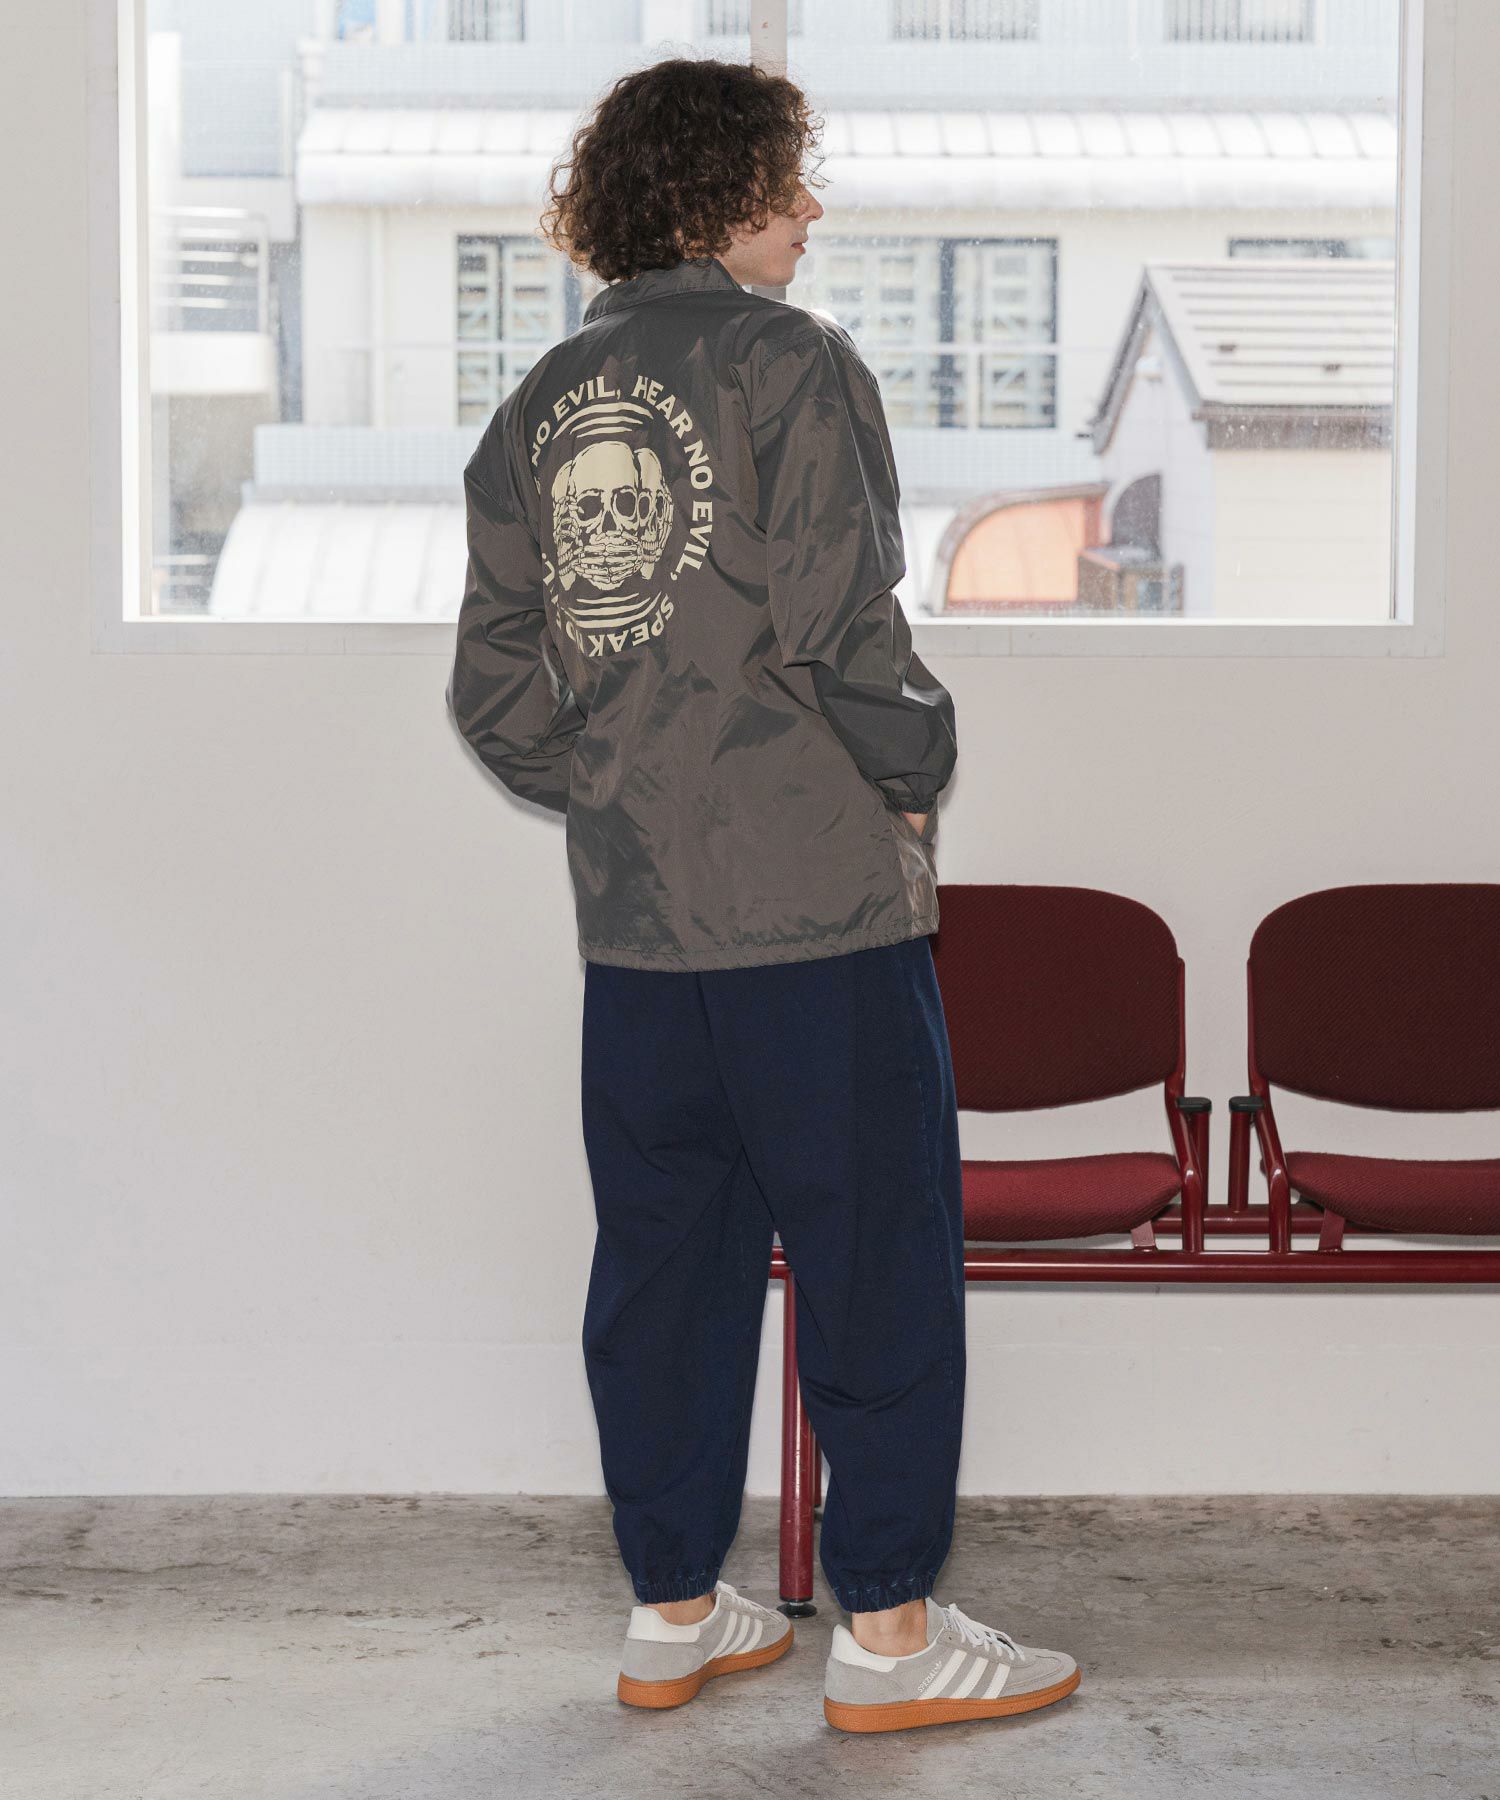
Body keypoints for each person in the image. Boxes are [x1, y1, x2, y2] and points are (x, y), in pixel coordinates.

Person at [446, 54, 1079, 1734]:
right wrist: (915, 759)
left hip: (639, 922)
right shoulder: (786, 358)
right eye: (788, 181)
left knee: (665, 1263)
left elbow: (495, 688)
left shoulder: (541, 402)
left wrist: (619, 786)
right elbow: (845, 626)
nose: (809, 210)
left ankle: (673, 1611)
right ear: (718, 194)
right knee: (874, 1256)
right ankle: (890, 1638)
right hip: (812, 911)